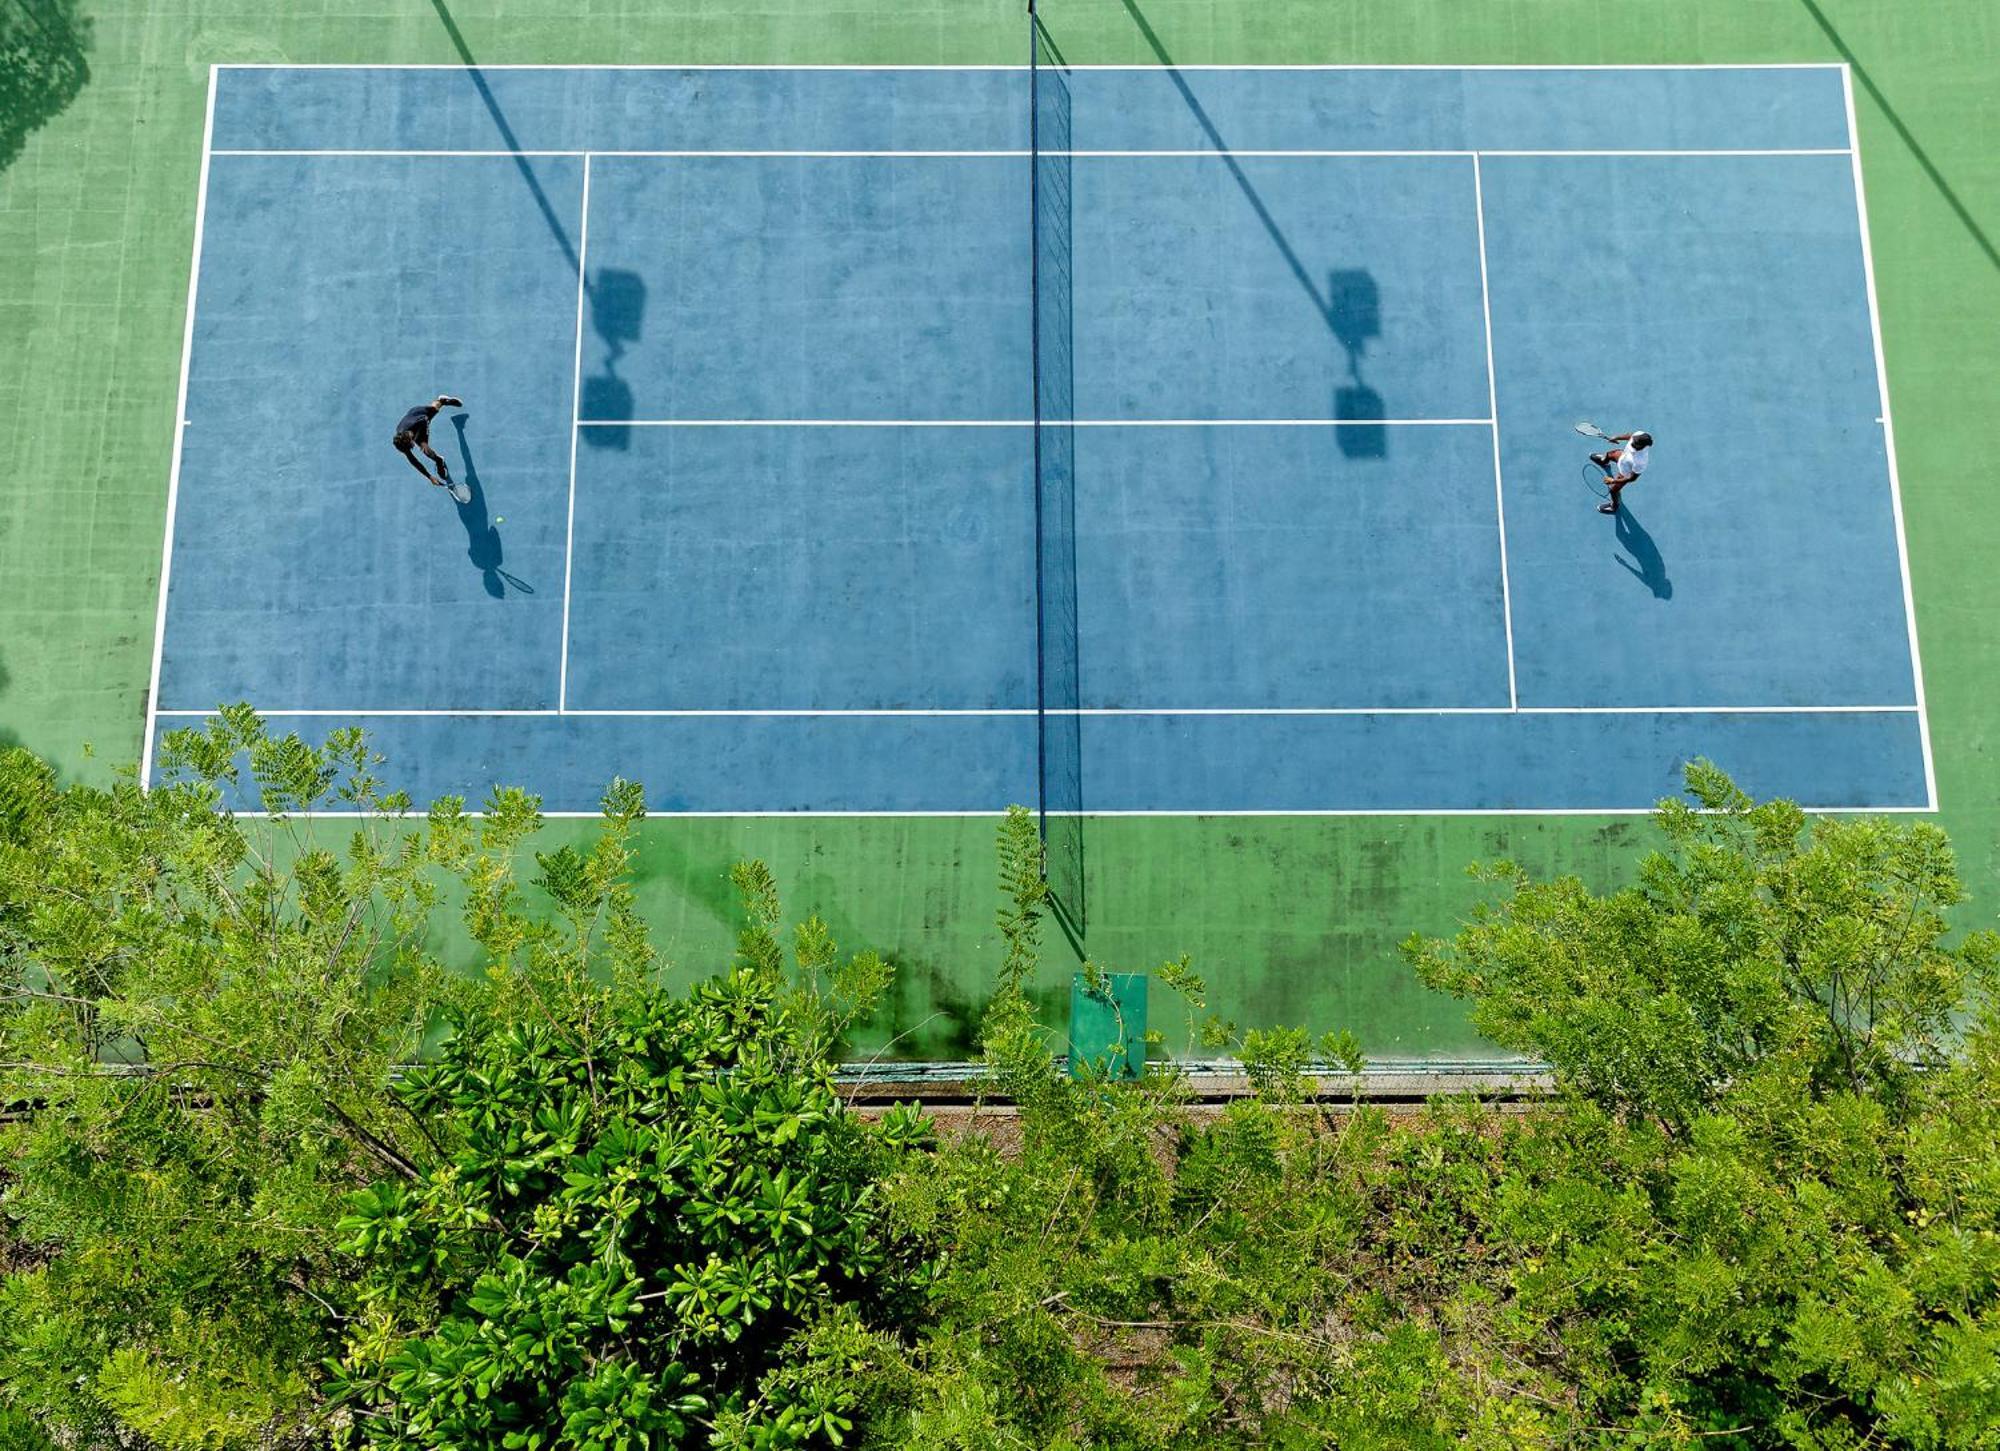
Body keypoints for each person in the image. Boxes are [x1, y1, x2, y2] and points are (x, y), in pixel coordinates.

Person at [392, 395, 465, 488]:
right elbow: (413, 461)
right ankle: (439, 460)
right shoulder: (402, 444)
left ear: (410, 437)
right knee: (423, 445)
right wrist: (429, 477)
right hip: (412, 421)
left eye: (412, 443)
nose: (413, 445)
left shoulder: (418, 422)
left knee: (435, 409)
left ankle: (442, 400)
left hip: (419, 414)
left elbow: (426, 420)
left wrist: (423, 442)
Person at [1590, 430, 1653, 515]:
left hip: (1624, 472)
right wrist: (1617, 437)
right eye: (1633, 440)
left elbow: (1631, 478)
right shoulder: (1640, 436)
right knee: (1609, 454)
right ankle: (1603, 462)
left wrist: (1613, 481)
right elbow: (1630, 435)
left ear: (1641, 446)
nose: (1631, 443)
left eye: (1634, 443)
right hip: (1622, 456)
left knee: (1613, 490)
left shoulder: (1640, 461)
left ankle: (1614, 506)